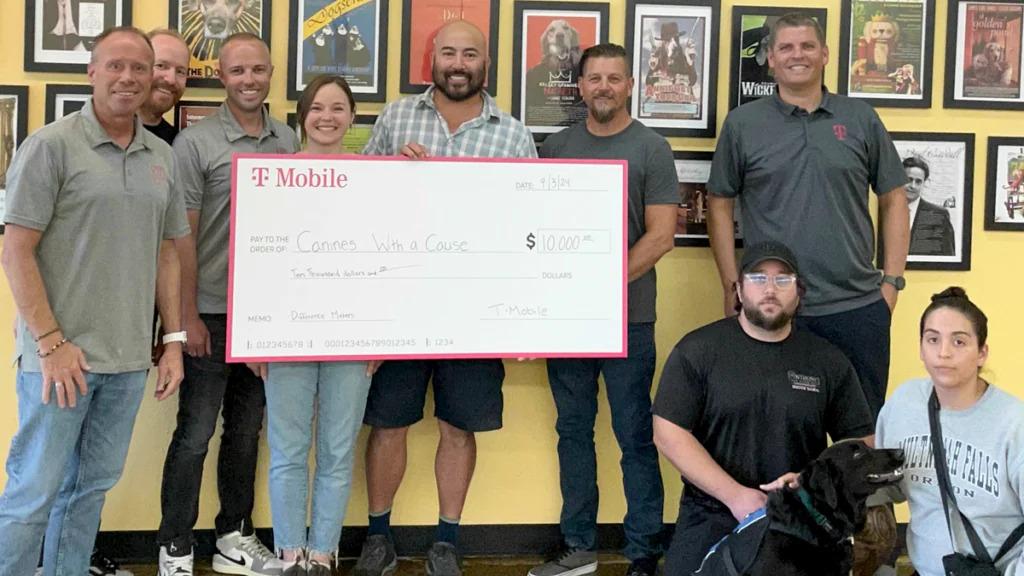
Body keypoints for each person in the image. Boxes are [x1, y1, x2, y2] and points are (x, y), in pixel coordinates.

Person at [0, 26, 188, 576]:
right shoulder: (50, 146)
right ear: (92, 73)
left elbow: (167, 255)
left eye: (140, 67)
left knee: (89, 492)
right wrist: (51, 343)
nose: (128, 77)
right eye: (115, 65)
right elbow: (15, 250)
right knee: (33, 494)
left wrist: (172, 341)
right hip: (61, 361)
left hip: (127, 362)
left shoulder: (161, 156)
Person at [353, 19, 536, 576]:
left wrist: (524, 316)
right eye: (448, 51)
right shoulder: (395, 117)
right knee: (388, 422)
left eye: (470, 54)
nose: (459, 63)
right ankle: (379, 537)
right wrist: (392, 174)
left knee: (459, 426)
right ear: (432, 57)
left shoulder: (513, 134)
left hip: (473, 311)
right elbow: (359, 202)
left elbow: (527, 226)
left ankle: (446, 542)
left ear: (486, 62)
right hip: (399, 302)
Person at [707, 12, 909, 420]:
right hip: (774, 308)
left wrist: (891, 282)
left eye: (807, 46)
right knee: (779, 433)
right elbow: (719, 204)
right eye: (786, 47)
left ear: (825, 54)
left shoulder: (860, 119)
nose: (797, 55)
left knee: (862, 436)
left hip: (857, 307)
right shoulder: (743, 124)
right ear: (770, 58)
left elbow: (894, 198)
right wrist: (733, 286)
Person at [527, 43, 676, 576]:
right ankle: (579, 546)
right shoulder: (557, 146)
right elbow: (534, 231)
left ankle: (643, 551)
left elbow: (660, 237)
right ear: (581, 86)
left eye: (615, 78)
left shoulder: (651, 148)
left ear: (630, 85)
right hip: (566, 322)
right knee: (573, 431)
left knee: (635, 433)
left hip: (629, 319)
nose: (604, 87)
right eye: (594, 79)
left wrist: (596, 282)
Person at [156, 32, 299, 576]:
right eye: (238, 71)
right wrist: (186, 316)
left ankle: (234, 535)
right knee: (194, 432)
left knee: (247, 430)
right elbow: (181, 237)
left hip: (263, 317)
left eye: (258, 70)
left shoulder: (287, 140)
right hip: (209, 312)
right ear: (221, 76)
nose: (249, 80)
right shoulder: (194, 145)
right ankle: (175, 544)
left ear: (269, 74)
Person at [651, 241, 874, 575]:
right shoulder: (697, 351)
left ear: (799, 292)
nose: (770, 289)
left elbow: (862, 441)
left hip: (801, 516)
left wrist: (808, 482)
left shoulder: (828, 361)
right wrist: (736, 496)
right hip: (712, 511)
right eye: (758, 278)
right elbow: (667, 432)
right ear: (738, 289)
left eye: (783, 280)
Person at [244, 75, 379, 576]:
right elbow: (255, 260)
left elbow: (384, 259)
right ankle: (289, 552)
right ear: (302, 116)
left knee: (338, 450)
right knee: (288, 449)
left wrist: (381, 336)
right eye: (317, 107)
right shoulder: (273, 179)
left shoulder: (374, 178)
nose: (327, 116)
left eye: (338, 107)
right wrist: (253, 336)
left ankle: (322, 552)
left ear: (352, 117)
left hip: (353, 335)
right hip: (286, 335)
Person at [876, 288, 1024, 576]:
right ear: (920, 348)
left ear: (982, 353)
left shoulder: (1014, 422)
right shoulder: (904, 403)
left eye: (959, 341)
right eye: (933, 339)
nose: (943, 352)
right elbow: (886, 485)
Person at [139, 28, 189, 146]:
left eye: (180, 71)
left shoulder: (179, 145)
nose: (171, 79)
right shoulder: (98, 133)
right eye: (161, 65)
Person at [903, 156, 955, 257]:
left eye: (918, 181)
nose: (913, 186)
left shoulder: (939, 215)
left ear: (924, 183)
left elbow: (949, 259)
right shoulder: (885, 211)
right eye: (909, 179)